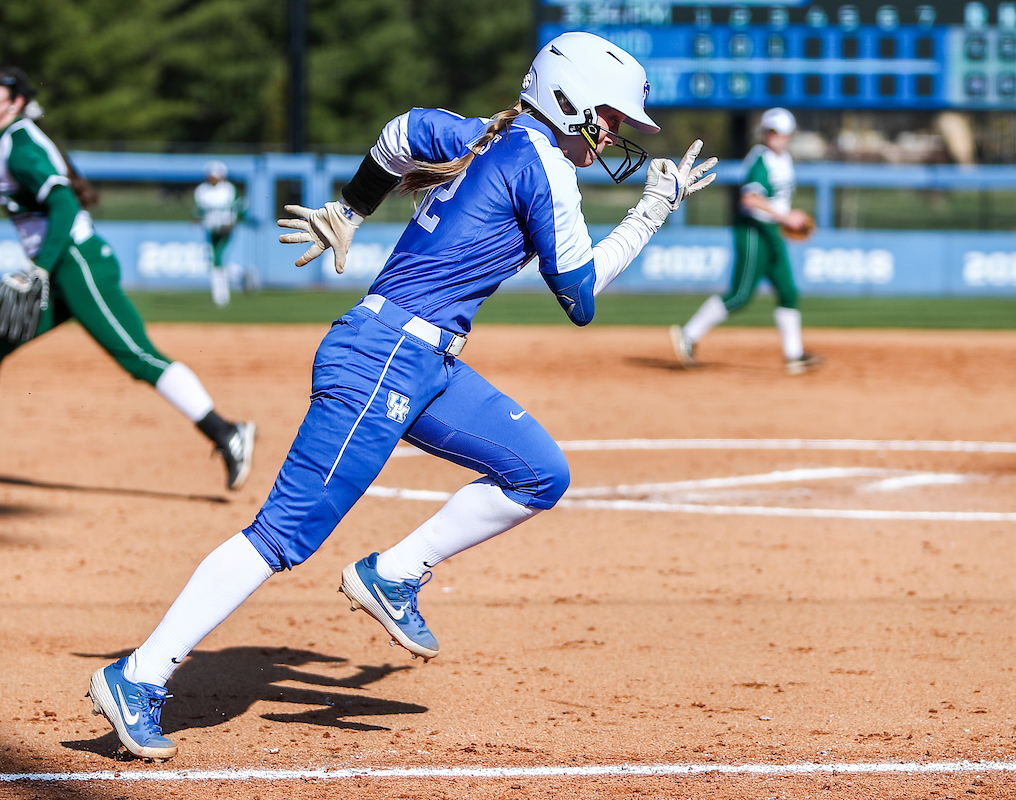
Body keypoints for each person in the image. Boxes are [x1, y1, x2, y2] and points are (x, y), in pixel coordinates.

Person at [86, 31, 717, 762]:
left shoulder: (487, 133)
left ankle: (393, 572)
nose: (612, 133)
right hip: (385, 357)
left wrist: (353, 208)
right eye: (607, 116)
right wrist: (650, 213)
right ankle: (139, 674)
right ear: (568, 98)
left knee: (541, 472)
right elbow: (579, 296)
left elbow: (400, 133)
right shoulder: (541, 162)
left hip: (422, 361)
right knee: (281, 538)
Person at [0, 66, 255, 490]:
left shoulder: (18, 143)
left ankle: (226, 432)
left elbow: (63, 206)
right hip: (64, 266)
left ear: (19, 102)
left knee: (138, 356)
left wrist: (41, 267)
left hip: (77, 265)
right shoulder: (12, 140)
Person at [670, 107, 824, 375]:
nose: (775, 136)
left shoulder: (783, 159)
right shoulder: (761, 160)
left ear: (789, 134)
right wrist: (786, 216)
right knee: (740, 295)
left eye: (780, 132)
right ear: (763, 132)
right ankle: (688, 335)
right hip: (753, 231)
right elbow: (749, 199)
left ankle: (794, 355)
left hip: (771, 232)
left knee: (788, 291)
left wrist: (782, 219)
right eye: (771, 131)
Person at [193, 159, 243, 308]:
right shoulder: (202, 190)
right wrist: (196, 220)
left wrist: (235, 221)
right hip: (211, 228)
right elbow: (199, 210)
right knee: (216, 259)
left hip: (226, 228)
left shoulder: (229, 189)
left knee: (218, 258)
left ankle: (221, 296)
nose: (213, 178)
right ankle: (241, 276)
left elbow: (240, 208)